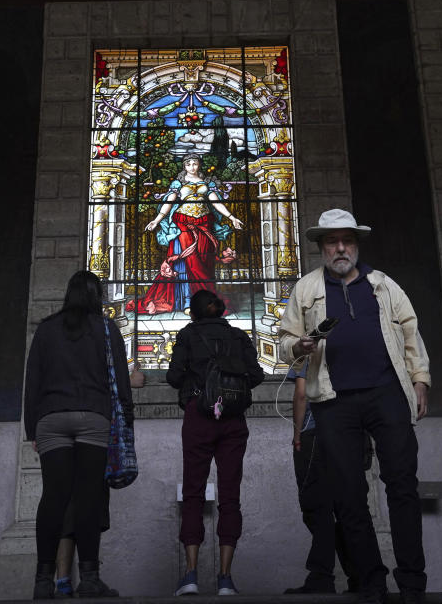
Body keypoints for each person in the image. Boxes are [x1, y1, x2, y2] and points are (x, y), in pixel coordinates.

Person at [278, 209, 431, 604]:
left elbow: (411, 332)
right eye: (332, 242)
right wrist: (299, 346)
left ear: (357, 245)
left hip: (388, 394)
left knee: (402, 485)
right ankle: (371, 580)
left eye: (347, 241)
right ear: (321, 248)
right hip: (333, 401)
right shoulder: (306, 289)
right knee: (348, 493)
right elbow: (285, 341)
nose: (340, 248)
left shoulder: (383, 285)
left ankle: (412, 581)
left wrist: (420, 381)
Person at [24, 270, 145, 599]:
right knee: (89, 497)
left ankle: (43, 581)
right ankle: (89, 579)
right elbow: (121, 380)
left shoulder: (47, 329)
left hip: (51, 418)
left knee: (53, 497)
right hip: (93, 417)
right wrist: (127, 424)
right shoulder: (106, 329)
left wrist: (31, 427)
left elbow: (32, 379)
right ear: (97, 295)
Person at [166, 289, 265, 596]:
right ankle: (225, 578)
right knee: (230, 495)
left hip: (199, 416)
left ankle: (191, 575)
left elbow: (172, 377)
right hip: (233, 419)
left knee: (193, 492)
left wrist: (199, 382)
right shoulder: (238, 337)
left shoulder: (187, 335)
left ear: (193, 313)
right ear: (221, 311)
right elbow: (257, 375)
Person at [126, 153, 242, 315]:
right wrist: (157, 220)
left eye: (195, 164)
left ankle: (205, 300)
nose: (192, 167)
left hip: (204, 225)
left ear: (199, 165)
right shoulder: (178, 183)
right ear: (184, 166)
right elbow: (169, 202)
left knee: (204, 263)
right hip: (183, 225)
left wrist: (232, 217)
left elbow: (216, 202)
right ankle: (187, 302)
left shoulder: (207, 183)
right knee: (186, 263)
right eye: (189, 164)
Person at [283, 361, 363, 595]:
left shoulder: (307, 351)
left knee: (316, 507)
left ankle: (321, 577)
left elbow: (301, 394)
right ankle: (359, 576)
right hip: (348, 436)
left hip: (314, 433)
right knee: (346, 507)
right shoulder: (350, 349)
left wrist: (297, 434)